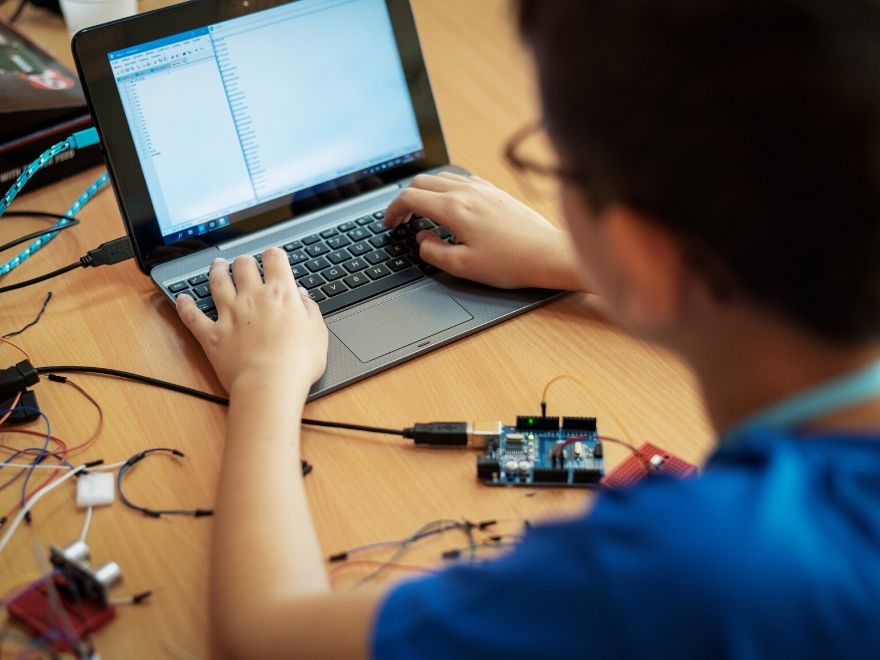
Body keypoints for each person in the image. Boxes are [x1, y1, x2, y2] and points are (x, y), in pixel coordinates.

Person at [174, 1, 880, 658]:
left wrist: (265, 381)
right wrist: (577, 258)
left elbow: (269, 634)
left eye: (557, 164)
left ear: (645, 254)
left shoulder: (689, 565)